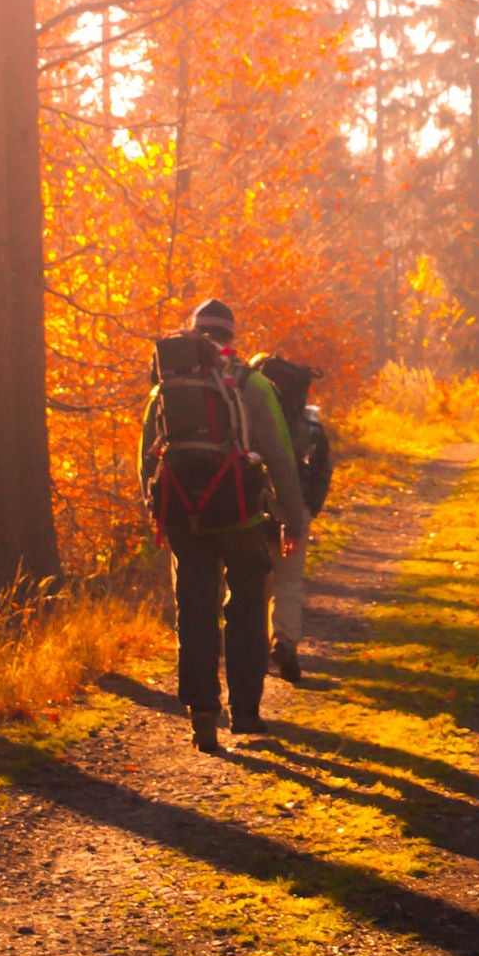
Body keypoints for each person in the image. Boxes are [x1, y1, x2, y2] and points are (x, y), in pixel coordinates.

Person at [139, 299, 308, 752]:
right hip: (240, 513)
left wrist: (158, 511)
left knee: (194, 610)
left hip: (184, 519)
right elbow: (279, 454)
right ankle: (247, 713)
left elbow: (146, 460)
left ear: (194, 335)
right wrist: (294, 519)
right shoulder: (253, 384)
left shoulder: (165, 388)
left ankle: (202, 718)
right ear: (231, 337)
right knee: (247, 606)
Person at [251, 354, 333, 682]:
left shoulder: (246, 414)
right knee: (288, 580)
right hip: (294, 507)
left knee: (253, 581)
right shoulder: (309, 424)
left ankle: (250, 648)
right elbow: (323, 469)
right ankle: (284, 641)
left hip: (254, 507)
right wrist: (307, 509)